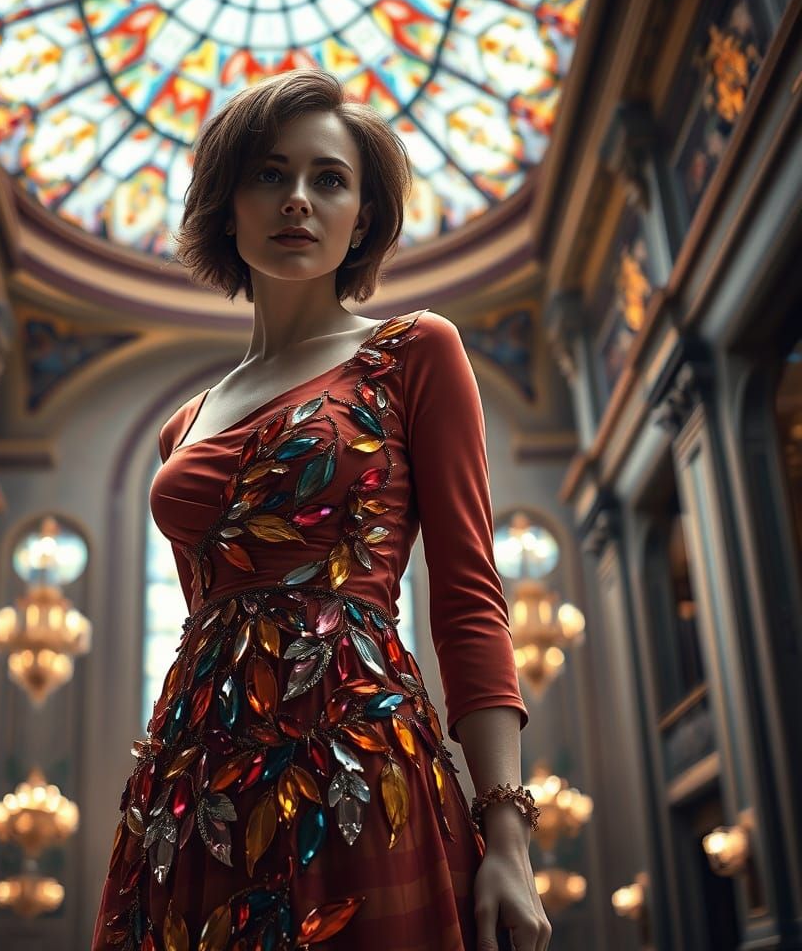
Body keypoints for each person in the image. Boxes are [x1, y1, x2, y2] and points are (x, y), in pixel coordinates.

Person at [91, 68, 550, 951]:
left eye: (328, 179)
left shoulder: (415, 352)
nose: (297, 200)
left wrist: (509, 834)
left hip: (356, 762)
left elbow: (467, 599)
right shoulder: (181, 427)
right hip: (191, 782)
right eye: (269, 174)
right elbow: (209, 618)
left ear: (363, 218)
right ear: (227, 205)